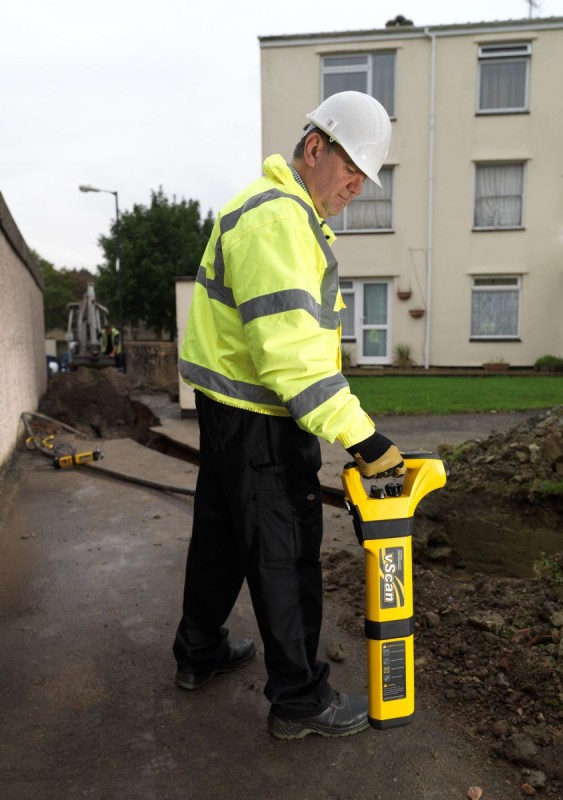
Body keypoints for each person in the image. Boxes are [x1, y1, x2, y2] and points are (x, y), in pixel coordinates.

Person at [174, 91, 405, 740]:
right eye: (352, 169)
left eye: (365, 177)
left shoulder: (267, 210)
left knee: (220, 537)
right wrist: (365, 438)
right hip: (263, 420)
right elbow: (293, 359)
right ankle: (301, 701)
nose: (357, 187)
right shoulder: (280, 221)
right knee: (285, 553)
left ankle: (199, 652)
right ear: (314, 148)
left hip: (229, 412)